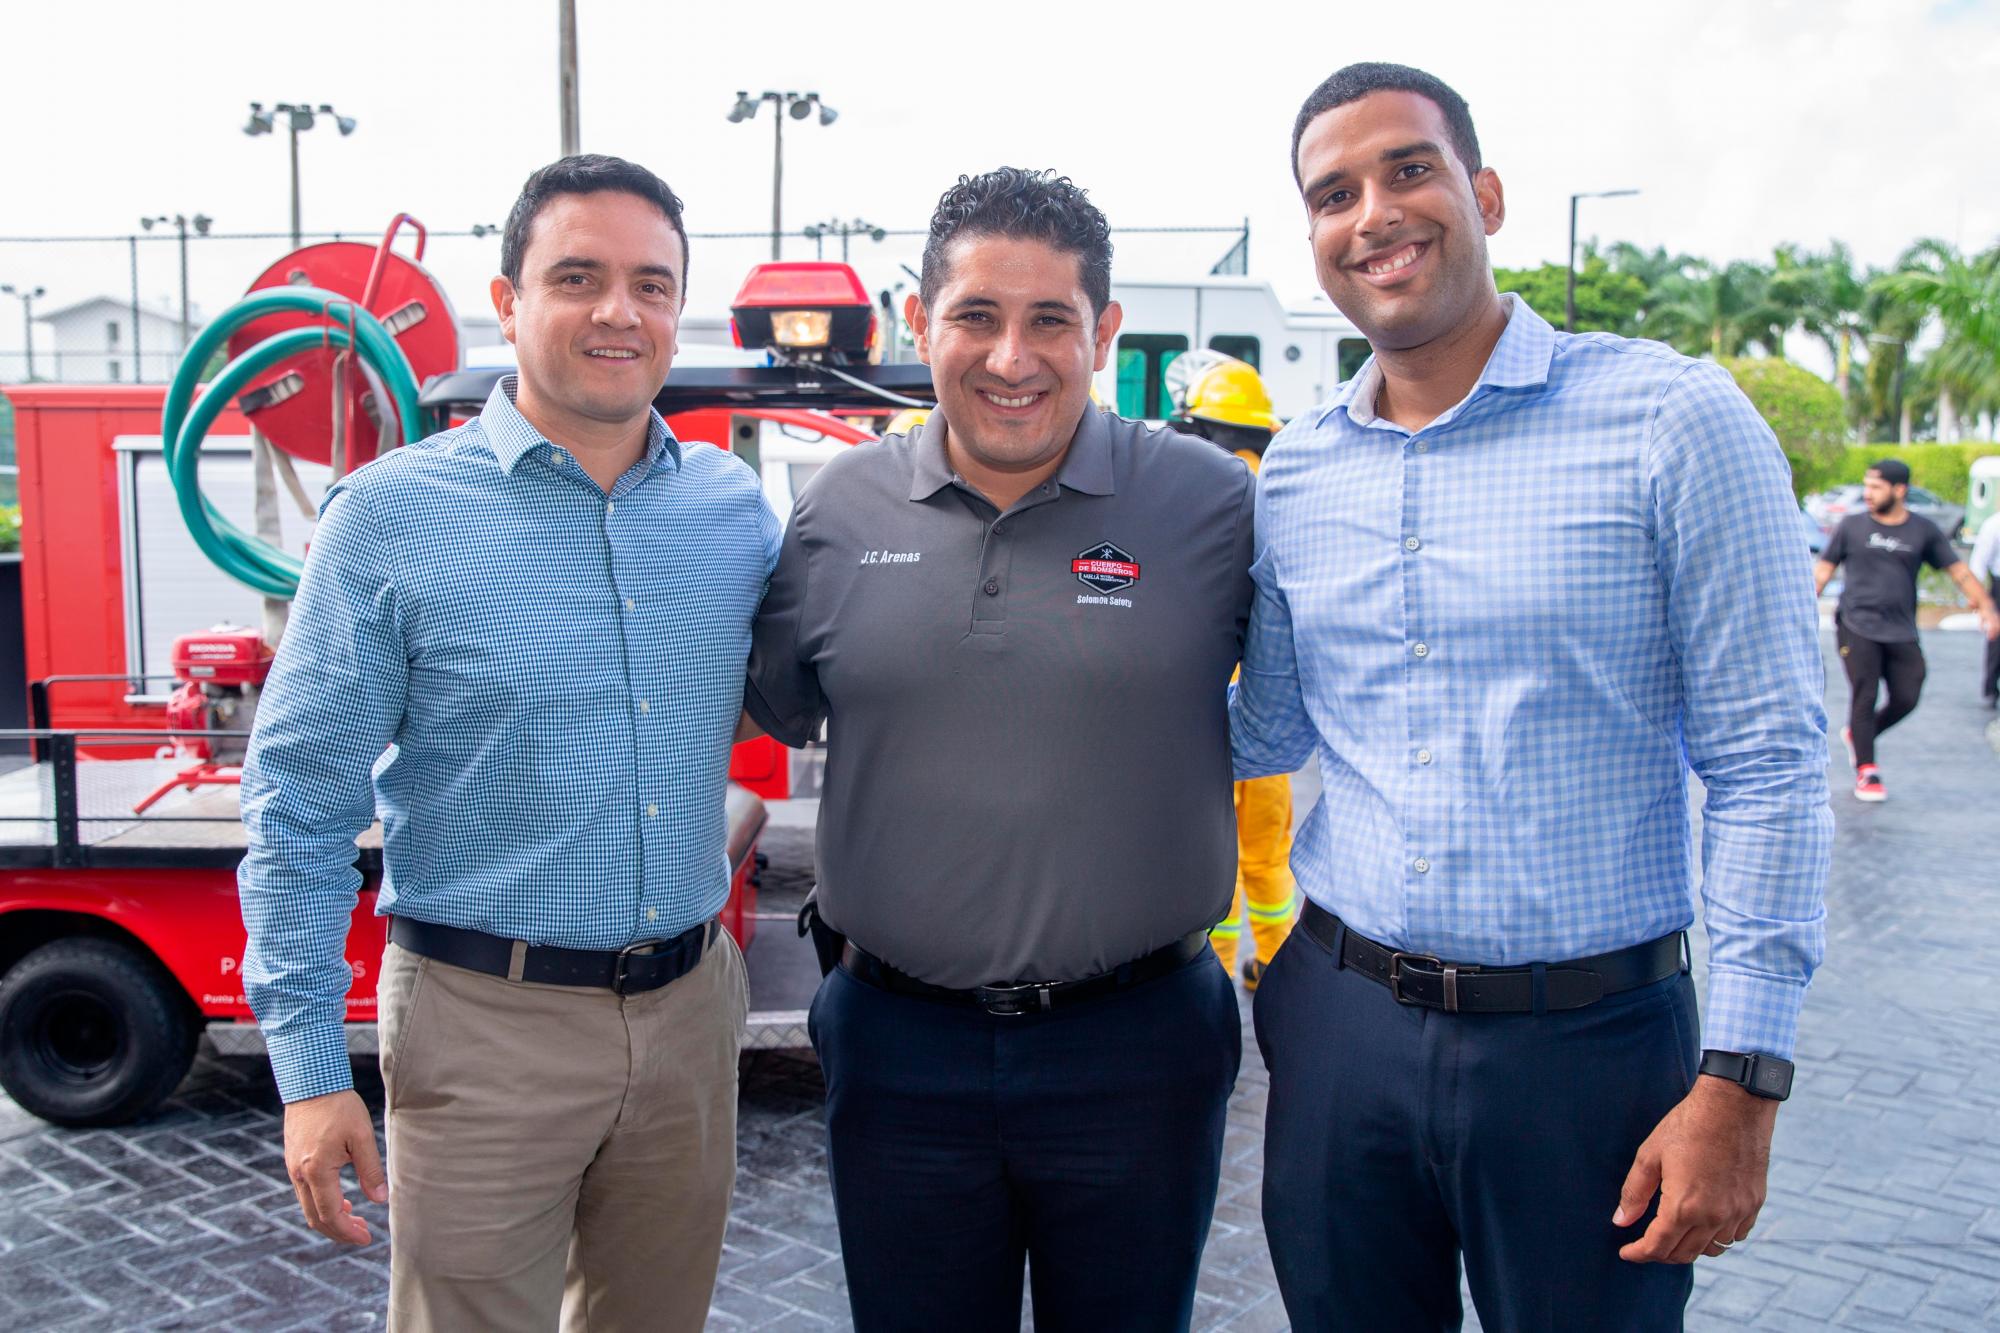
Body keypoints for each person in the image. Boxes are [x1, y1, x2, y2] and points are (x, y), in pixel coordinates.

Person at [1230, 63, 1834, 1331]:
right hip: (1337, 1027)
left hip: (1589, 1052)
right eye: (1331, 193)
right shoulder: (1297, 471)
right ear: (1314, 237)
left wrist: (1741, 1078)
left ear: (1484, 193)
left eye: (1408, 169)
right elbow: (1267, 729)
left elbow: (1769, 763)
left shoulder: (1669, 421)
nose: (1373, 213)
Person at [238, 154, 778, 1332]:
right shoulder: (389, 517)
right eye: (577, 276)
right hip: (482, 1025)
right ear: (507, 301)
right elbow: (297, 801)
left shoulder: (731, 511)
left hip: (690, 1016)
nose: (617, 312)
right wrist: (310, 1073)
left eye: (650, 283)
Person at [744, 167, 1252, 1332]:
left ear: (1104, 331)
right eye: (975, 315)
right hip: (897, 1047)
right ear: (920, 320)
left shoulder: (1211, 505)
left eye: (1049, 320)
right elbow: (762, 704)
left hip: (1139, 1049)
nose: (1009, 355)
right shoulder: (833, 514)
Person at [1173, 356, 1298, 988]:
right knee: (1268, 860)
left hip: (1210, 723)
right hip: (1269, 721)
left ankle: (1218, 975)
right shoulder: (1283, 492)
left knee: (1213, 861)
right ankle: (1274, 966)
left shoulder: (1197, 498)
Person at [1813, 459, 2000, 799]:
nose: (1867, 494)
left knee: (1907, 695)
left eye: (1876, 487)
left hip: (1901, 628)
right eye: (1866, 486)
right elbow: (1822, 572)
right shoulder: (1851, 526)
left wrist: (1986, 607)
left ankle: (1860, 734)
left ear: (1899, 490)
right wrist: (1801, 610)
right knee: (1864, 693)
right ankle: (1867, 771)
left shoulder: (1922, 530)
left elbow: (1958, 572)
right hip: (1856, 624)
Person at [1973, 506, 2000, 706]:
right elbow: (1979, 562)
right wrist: (1978, 599)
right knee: (1996, 638)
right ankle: (1990, 689)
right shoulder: (1994, 524)